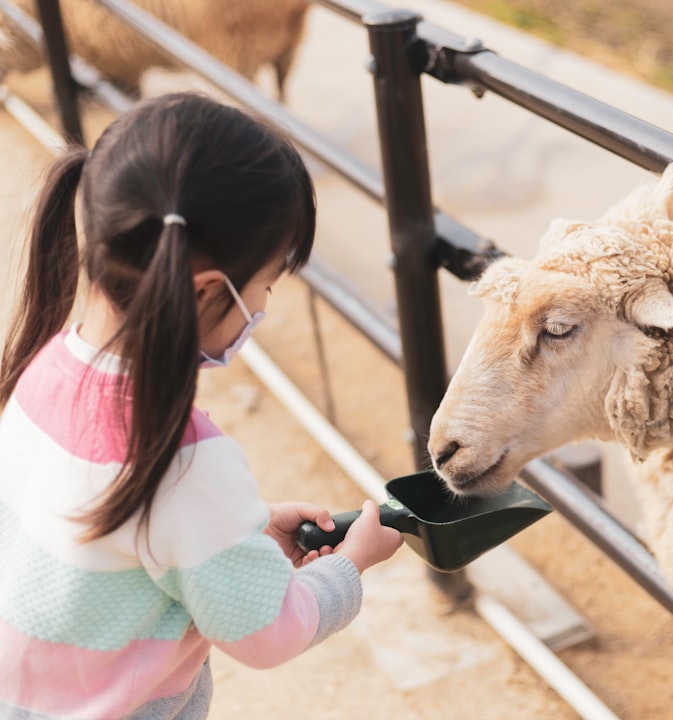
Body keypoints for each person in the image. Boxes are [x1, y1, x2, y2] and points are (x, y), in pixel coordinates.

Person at [0, 92, 403, 719]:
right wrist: (349, 566)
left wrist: (238, 534)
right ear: (207, 290)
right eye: (266, 283)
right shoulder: (183, 461)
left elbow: (115, 538)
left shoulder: (43, 365)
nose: (263, 306)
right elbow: (267, 633)